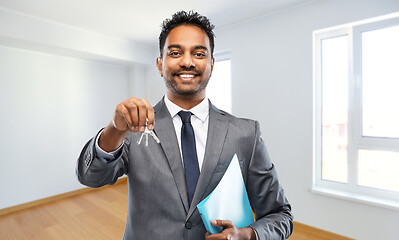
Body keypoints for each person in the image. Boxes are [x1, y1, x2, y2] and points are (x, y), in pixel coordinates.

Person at [76, 10, 293, 240]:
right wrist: (115, 128)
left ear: (211, 64)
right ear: (160, 64)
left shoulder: (246, 133)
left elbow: (280, 215)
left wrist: (249, 235)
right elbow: (90, 177)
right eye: (175, 52)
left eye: (198, 53)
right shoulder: (133, 127)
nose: (187, 62)